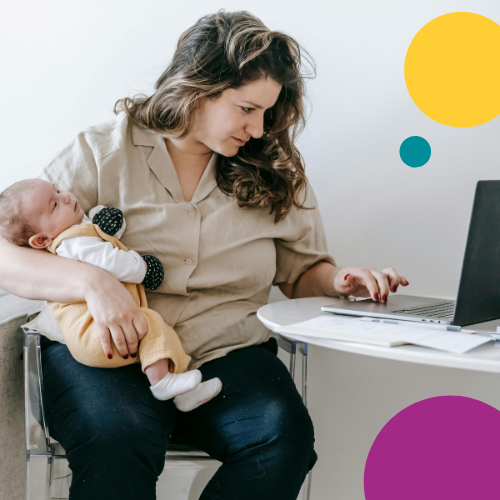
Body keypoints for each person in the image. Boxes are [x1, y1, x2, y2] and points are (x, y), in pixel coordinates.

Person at [0, 10, 408, 500]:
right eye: (246, 109)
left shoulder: (275, 169)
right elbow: (10, 251)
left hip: (227, 351)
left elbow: (302, 274)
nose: (258, 130)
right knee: (119, 437)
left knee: (282, 438)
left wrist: (342, 279)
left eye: (266, 113)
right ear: (199, 88)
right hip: (106, 352)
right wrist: (94, 283)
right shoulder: (102, 150)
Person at [0, 179, 222, 410]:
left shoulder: (77, 232)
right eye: (54, 205)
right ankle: (162, 382)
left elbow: (101, 237)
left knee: (159, 331)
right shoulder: (71, 244)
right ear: (42, 240)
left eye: (58, 190)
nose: (65, 196)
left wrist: (102, 218)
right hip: (95, 335)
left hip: (99, 334)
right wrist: (142, 268)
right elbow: (111, 261)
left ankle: (184, 393)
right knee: (152, 324)